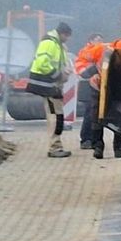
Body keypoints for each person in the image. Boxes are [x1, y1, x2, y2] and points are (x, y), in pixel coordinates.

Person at [27, 23, 73, 158]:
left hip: (53, 85)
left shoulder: (56, 44)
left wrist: (64, 72)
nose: (68, 39)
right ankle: (54, 147)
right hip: (49, 85)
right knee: (55, 117)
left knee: (57, 116)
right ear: (63, 34)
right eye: (68, 36)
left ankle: (56, 145)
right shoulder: (50, 43)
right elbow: (42, 64)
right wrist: (58, 75)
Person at [74, 33, 105, 150]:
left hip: (96, 86)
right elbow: (83, 72)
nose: (100, 42)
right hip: (87, 86)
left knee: (94, 114)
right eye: (97, 40)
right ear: (90, 41)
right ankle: (86, 139)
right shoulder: (86, 53)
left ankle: (92, 139)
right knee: (89, 114)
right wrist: (94, 70)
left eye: (101, 40)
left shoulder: (99, 52)